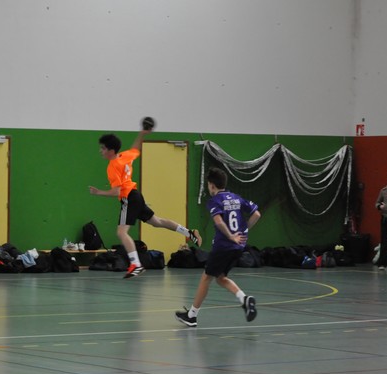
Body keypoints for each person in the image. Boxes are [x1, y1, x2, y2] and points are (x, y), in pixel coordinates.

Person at [89, 120, 202, 279]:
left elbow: (117, 191)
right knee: (157, 222)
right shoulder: (124, 156)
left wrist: (99, 192)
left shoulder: (113, 166)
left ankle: (136, 264)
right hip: (136, 195)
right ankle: (189, 233)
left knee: (121, 232)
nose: (101, 151)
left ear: (111, 150)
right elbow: (136, 149)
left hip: (129, 198)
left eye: (103, 148)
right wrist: (142, 134)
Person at [175, 167, 260, 327]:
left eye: (208, 185)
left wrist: (231, 236)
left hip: (224, 246)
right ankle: (244, 299)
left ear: (212, 185)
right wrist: (244, 230)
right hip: (239, 247)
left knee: (206, 277)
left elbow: (219, 221)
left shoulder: (215, 201)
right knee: (220, 278)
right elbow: (256, 214)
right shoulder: (236, 198)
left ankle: (192, 316)